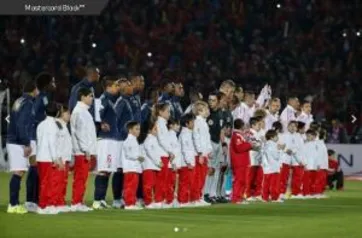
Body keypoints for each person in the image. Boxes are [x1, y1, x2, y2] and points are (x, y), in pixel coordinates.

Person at [7, 80, 38, 214]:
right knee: (18, 172)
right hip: (18, 142)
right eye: (37, 89)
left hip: (14, 140)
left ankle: (15, 203)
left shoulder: (19, 101)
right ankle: (13, 205)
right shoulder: (28, 103)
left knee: (20, 172)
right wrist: (26, 143)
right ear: (34, 90)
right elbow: (21, 124)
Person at [26, 72, 56, 210]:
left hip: (37, 137)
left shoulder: (45, 96)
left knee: (37, 169)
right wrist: (39, 126)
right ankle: (30, 200)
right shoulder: (41, 97)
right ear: (47, 84)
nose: (54, 84)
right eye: (53, 82)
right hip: (34, 137)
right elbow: (33, 115)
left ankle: (35, 199)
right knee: (34, 169)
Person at [92, 76, 121, 210]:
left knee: (108, 170)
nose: (117, 88)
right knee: (103, 169)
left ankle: (102, 199)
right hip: (105, 140)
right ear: (108, 87)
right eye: (115, 85)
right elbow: (96, 113)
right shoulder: (103, 99)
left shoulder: (110, 100)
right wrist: (101, 123)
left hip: (112, 139)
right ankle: (97, 200)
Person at [70, 87, 97, 212]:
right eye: (90, 96)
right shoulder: (80, 112)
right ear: (83, 97)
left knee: (83, 178)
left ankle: (79, 201)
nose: (92, 98)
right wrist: (86, 150)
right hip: (82, 152)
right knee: (80, 177)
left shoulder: (83, 111)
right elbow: (79, 133)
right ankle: (76, 202)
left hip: (84, 151)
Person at [112, 77, 134, 208]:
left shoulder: (126, 101)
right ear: (123, 88)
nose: (131, 87)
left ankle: (122, 197)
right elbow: (115, 120)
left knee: (123, 170)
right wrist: (121, 136)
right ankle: (116, 199)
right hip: (121, 140)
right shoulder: (121, 102)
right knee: (119, 170)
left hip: (125, 140)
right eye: (129, 85)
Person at [36, 102, 60, 215]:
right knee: (47, 182)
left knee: (43, 181)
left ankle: (45, 204)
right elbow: (52, 143)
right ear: (57, 113)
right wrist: (55, 158)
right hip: (48, 158)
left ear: (45, 112)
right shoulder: (53, 126)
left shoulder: (40, 124)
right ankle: (43, 206)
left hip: (40, 156)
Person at [204, 91, 224, 204]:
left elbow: (221, 130)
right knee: (209, 170)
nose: (211, 102)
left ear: (218, 101)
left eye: (213, 100)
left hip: (217, 144)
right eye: (210, 100)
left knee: (214, 170)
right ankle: (204, 193)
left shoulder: (220, 113)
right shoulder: (207, 114)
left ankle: (210, 193)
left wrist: (223, 145)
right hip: (209, 144)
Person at [192, 101, 213, 206]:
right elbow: (196, 138)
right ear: (200, 111)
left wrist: (209, 151)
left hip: (204, 154)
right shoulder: (197, 122)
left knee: (203, 176)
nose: (208, 111)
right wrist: (200, 153)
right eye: (206, 109)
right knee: (198, 177)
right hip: (199, 154)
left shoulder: (204, 122)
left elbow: (206, 139)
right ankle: (195, 198)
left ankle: (200, 196)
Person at [155, 103, 175, 207]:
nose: (169, 113)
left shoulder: (163, 123)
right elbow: (161, 140)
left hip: (165, 154)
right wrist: (170, 151)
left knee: (165, 178)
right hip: (162, 154)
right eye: (167, 111)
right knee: (161, 179)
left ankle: (163, 199)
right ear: (160, 112)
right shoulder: (160, 123)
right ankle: (159, 200)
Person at [53, 105, 72, 212]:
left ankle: (60, 202)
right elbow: (57, 144)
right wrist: (59, 158)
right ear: (61, 113)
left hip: (65, 158)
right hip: (60, 159)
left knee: (63, 181)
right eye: (67, 113)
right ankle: (56, 202)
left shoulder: (64, 125)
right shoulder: (58, 124)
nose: (69, 115)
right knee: (58, 181)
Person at [229, 119, 253, 204]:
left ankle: (240, 197)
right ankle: (235, 198)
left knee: (243, 181)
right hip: (239, 162)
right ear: (241, 126)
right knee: (239, 180)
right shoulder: (236, 135)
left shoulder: (239, 135)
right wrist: (250, 144)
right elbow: (239, 148)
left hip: (243, 161)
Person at [122, 121, 144, 210]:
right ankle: (129, 204)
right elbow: (128, 154)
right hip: (130, 168)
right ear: (130, 130)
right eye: (136, 129)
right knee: (130, 186)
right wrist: (138, 157)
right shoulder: (128, 140)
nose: (139, 131)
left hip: (134, 168)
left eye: (139, 129)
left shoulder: (134, 140)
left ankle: (132, 202)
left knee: (133, 186)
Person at [142, 120, 163, 209]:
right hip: (149, 166)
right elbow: (151, 152)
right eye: (155, 129)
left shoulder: (154, 139)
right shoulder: (149, 140)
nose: (157, 131)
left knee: (154, 184)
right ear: (149, 130)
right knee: (148, 185)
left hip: (154, 166)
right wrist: (158, 162)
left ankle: (153, 201)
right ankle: (148, 202)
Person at [178, 113, 197, 207]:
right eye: (192, 122)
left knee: (188, 182)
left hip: (188, 162)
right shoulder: (185, 134)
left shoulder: (188, 133)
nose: (194, 124)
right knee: (185, 182)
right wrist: (189, 162)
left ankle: (186, 200)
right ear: (186, 124)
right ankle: (183, 201)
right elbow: (185, 149)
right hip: (186, 164)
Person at [261, 130, 283, 203]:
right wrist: (280, 150)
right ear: (272, 137)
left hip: (266, 168)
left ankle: (265, 197)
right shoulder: (273, 145)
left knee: (266, 184)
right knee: (274, 184)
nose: (277, 137)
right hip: (273, 168)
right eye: (276, 136)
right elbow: (276, 156)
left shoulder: (265, 144)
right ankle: (275, 198)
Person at [279, 121, 298, 199]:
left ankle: (283, 192)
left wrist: (293, 151)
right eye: (291, 126)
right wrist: (286, 150)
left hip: (291, 159)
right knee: (282, 176)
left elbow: (297, 147)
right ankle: (280, 192)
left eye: (294, 126)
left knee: (286, 177)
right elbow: (279, 145)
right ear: (288, 126)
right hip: (283, 158)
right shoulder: (283, 136)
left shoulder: (297, 137)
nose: (293, 127)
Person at [245, 117, 263, 201]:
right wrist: (261, 143)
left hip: (258, 158)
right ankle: (248, 194)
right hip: (251, 157)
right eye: (258, 124)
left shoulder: (258, 133)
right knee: (250, 177)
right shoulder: (249, 133)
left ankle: (255, 193)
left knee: (257, 177)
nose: (260, 126)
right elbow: (253, 144)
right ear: (253, 125)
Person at [167, 119, 182, 207]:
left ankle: (173, 199)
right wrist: (172, 163)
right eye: (176, 124)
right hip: (172, 164)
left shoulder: (174, 136)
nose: (178, 126)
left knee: (175, 181)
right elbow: (170, 151)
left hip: (175, 163)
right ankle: (170, 200)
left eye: (178, 124)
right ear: (170, 126)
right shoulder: (169, 135)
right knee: (171, 182)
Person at [302, 129, 318, 198]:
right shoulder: (304, 145)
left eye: (309, 136)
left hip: (314, 165)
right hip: (307, 165)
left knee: (313, 180)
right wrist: (304, 164)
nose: (308, 137)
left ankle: (312, 192)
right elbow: (303, 155)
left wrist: (318, 164)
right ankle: (306, 193)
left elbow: (318, 155)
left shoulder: (317, 145)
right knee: (306, 180)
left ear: (314, 136)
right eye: (307, 136)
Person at [315, 129, 329, 198]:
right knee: (319, 180)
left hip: (324, 165)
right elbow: (318, 155)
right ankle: (317, 193)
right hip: (320, 166)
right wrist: (318, 165)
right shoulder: (319, 144)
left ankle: (320, 192)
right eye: (325, 134)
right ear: (324, 136)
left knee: (323, 180)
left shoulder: (321, 143)